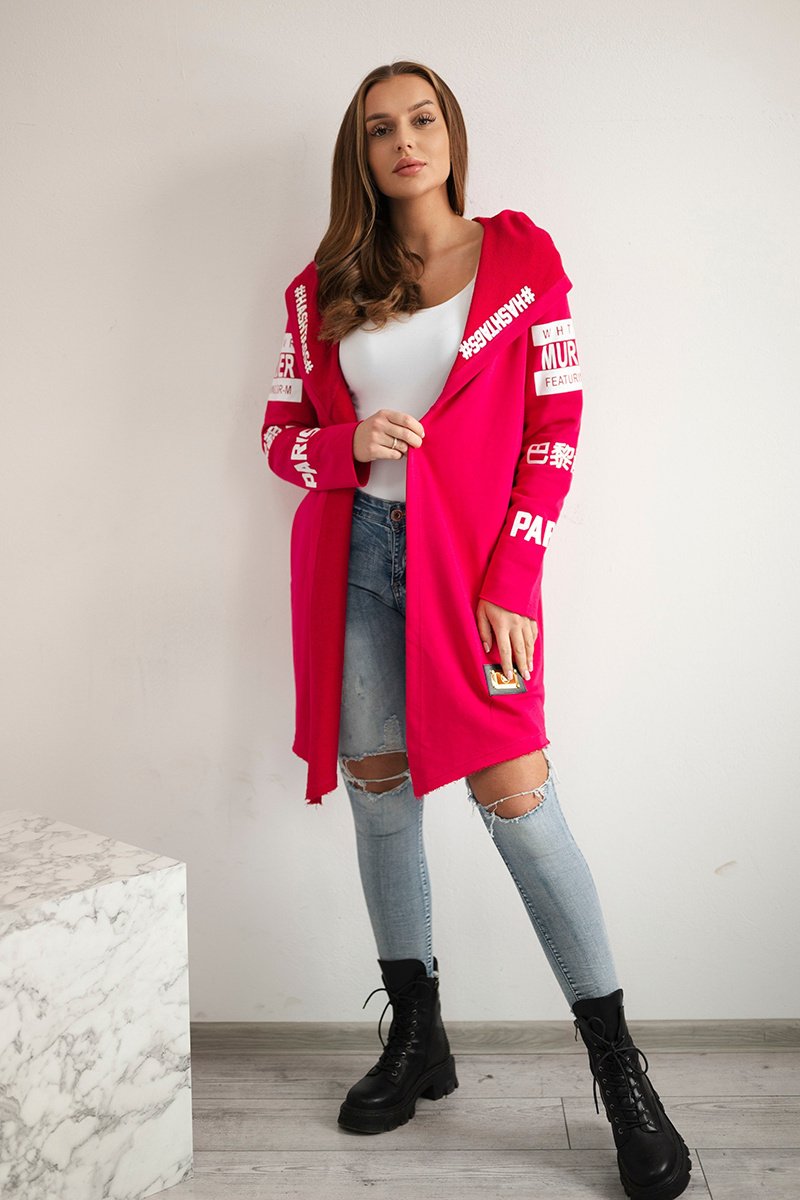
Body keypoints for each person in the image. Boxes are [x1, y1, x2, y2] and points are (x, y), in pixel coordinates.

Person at [261, 59, 691, 1200]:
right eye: (379, 128)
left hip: (473, 573)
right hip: (354, 563)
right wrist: (344, 446)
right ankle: (418, 1037)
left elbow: (557, 423)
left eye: (422, 119)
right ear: (358, 154)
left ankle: (619, 1072)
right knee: (379, 792)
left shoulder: (519, 259)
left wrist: (515, 573)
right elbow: (276, 435)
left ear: (451, 133)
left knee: (519, 803)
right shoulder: (320, 287)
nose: (404, 140)